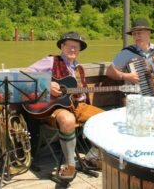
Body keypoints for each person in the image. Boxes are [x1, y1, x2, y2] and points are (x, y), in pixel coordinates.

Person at [27, 31, 103, 180]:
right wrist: (47, 84)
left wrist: (81, 94)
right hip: (55, 107)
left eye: (76, 47)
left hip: (78, 106)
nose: (73, 50)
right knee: (68, 120)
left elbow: (78, 93)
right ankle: (70, 166)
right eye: (69, 46)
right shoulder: (51, 60)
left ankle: (90, 158)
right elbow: (26, 73)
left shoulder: (79, 68)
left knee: (106, 120)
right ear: (62, 46)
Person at [106, 18, 154, 83]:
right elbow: (109, 71)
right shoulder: (127, 52)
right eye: (134, 34)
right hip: (135, 91)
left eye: (139, 33)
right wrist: (125, 76)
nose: (136, 36)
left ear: (148, 34)